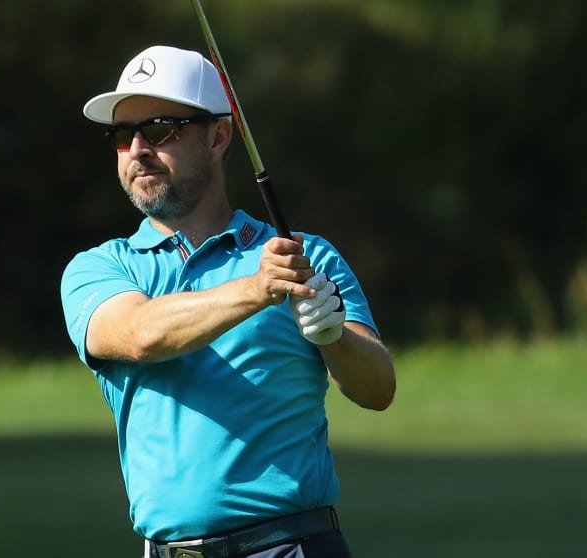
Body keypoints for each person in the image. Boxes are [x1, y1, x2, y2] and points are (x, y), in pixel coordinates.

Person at [60, 45, 396, 558]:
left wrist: (335, 341)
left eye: (158, 129)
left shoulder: (306, 257)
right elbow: (141, 335)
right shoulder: (101, 267)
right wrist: (259, 288)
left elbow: (378, 389)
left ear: (218, 136)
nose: (136, 149)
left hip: (292, 547)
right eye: (121, 136)